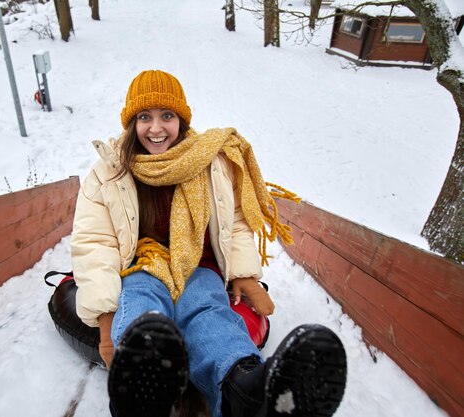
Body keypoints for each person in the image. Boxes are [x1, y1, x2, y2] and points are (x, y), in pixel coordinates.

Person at [70, 70, 347, 417]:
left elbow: (236, 221)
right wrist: (107, 318)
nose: (156, 129)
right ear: (131, 123)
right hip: (143, 263)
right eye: (145, 117)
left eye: (167, 116)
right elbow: (94, 242)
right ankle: (143, 388)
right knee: (142, 302)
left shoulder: (210, 162)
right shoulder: (109, 172)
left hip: (197, 263)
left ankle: (244, 392)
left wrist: (244, 273)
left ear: (182, 120)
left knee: (206, 309)